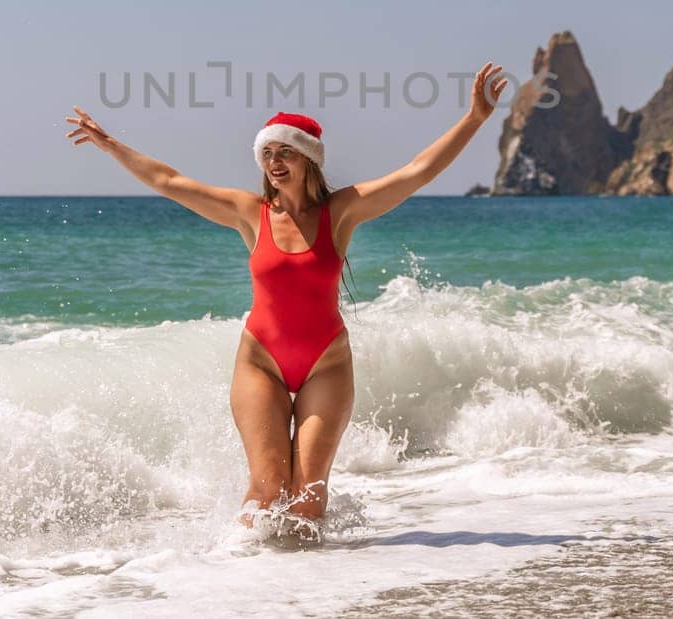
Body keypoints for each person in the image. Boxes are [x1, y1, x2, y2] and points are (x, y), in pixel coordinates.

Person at [65, 61, 508, 541]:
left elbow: (417, 173)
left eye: (287, 153)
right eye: (268, 153)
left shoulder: (341, 212)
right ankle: (243, 576)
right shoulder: (248, 213)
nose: (275, 162)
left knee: (308, 495)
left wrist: (475, 119)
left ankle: (307, 592)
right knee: (268, 485)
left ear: (308, 160)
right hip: (261, 362)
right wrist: (111, 146)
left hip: (326, 364)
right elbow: (170, 182)